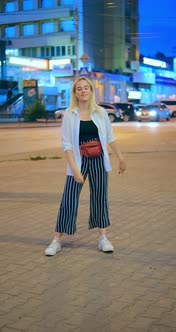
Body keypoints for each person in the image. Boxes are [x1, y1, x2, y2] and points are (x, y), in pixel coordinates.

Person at [45, 76, 126, 256]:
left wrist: (120, 158)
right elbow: (66, 144)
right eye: (79, 88)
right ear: (74, 92)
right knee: (69, 199)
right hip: (78, 160)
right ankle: (56, 240)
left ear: (91, 91)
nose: (83, 91)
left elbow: (110, 137)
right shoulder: (69, 114)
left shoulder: (100, 113)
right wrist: (74, 170)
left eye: (86, 88)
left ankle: (103, 238)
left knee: (100, 197)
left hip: (98, 159)